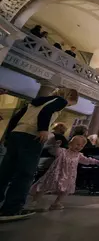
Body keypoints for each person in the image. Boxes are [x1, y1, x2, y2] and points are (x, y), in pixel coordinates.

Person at [0, 88, 78, 220]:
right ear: (69, 97)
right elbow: (46, 111)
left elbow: (15, 118)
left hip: (17, 134)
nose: (68, 105)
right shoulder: (60, 101)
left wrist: (8, 136)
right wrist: (42, 129)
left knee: (6, 171)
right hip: (32, 136)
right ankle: (12, 209)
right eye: (71, 103)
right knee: (25, 173)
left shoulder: (34, 102)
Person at [28, 135, 99, 211]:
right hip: (56, 173)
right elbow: (53, 151)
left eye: (82, 146)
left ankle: (56, 203)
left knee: (65, 191)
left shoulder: (79, 155)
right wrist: (56, 145)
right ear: (70, 143)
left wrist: (96, 161)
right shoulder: (62, 151)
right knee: (45, 186)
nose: (79, 147)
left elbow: (87, 160)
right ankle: (35, 201)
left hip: (69, 176)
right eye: (77, 144)